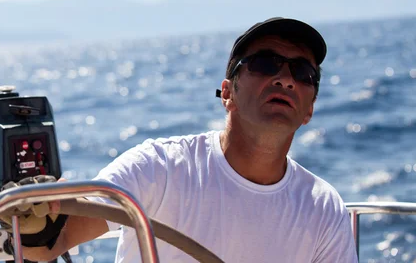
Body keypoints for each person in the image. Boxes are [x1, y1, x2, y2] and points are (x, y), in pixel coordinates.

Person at [21, 17, 359, 263]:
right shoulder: (159, 168)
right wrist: (33, 216)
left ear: (309, 109)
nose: (285, 79)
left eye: (303, 73)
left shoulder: (324, 208)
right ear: (228, 93)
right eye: (266, 64)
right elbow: (50, 244)